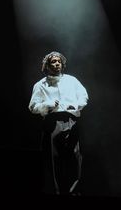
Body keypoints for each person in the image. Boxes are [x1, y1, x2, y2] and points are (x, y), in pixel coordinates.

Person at [29, 51, 88, 195]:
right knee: (53, 158)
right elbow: (32, 106)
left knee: (74, 157)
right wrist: (47, 105)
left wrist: (75, 105)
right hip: (52, 123)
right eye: (53, 62)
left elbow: (84, 96)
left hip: (70, 120)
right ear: (47, 66)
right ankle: (55, 192)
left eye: (59, 61)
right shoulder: (40, 85)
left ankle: (73, 192)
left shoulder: (72, 80)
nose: (57, 64)